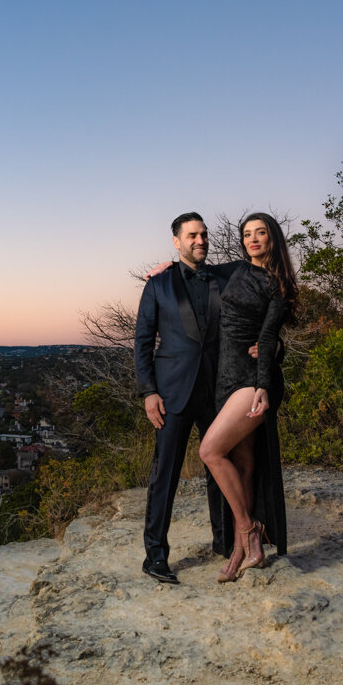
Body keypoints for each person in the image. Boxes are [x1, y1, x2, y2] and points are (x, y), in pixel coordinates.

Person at [134, 212, 239, 584]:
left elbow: (254, 262)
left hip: (217, 391)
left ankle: (225, 543)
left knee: (220, 467)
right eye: (192, 235)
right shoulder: (157, 285)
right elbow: (143, 342)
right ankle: (155, 556)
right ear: (176, 242)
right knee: (165, 474)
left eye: (204, 234)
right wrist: (149, 392)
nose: (201, 240)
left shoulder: (224, 276)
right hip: (171, 393)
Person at [199, 211, 297, 582]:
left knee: (209, 451)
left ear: (272, 238)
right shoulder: (236, 270)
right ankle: (242, 551)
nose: (252, 239)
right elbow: (198, 270)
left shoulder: (278, 285)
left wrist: (263, 385)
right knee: (243, 466)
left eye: (260, 233)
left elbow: (270, 336)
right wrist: (166, 266)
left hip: (250, 380)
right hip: (225, 379)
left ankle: (248, 530)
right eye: (247, 234)